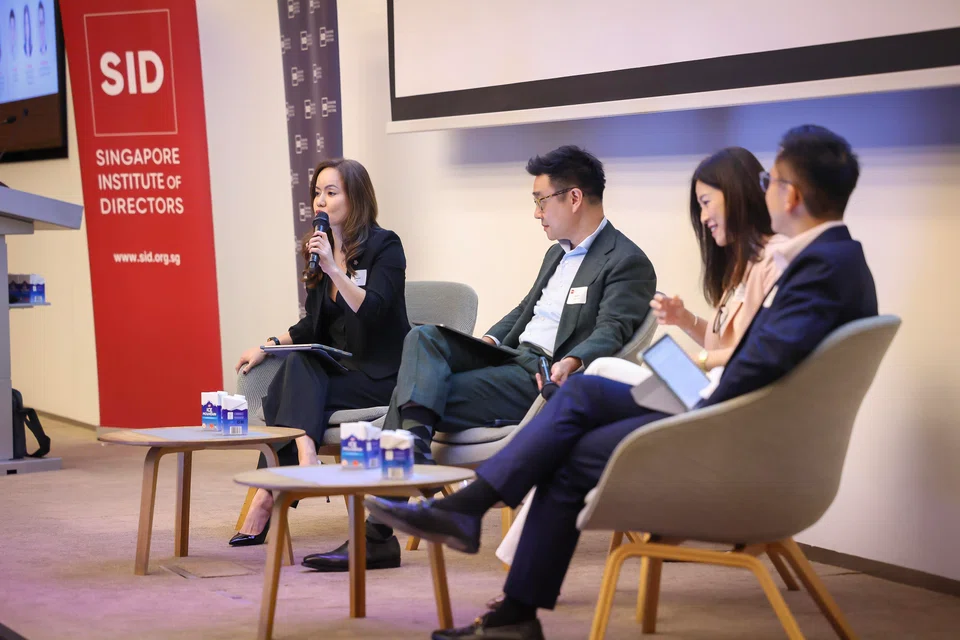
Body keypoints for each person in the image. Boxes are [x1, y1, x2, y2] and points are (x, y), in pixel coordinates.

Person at [366, 125, 878, 640]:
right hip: (722, 409)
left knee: (574, 428)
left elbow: (758, 364)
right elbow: (764, 359)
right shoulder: (828, 261)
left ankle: (484, 545)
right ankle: (483, 543)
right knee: (582, 396)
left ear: (791, 195)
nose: (761, 193)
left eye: (771, 182)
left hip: (727, 429)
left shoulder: (818, 268)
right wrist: (683, 379)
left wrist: (690, 390)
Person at [301, 145, 657, 572]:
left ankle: (376, 532)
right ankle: (410, 461)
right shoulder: (557, 254)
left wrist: (574, 361)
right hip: (510, 359)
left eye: (541, 200)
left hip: (541, 376)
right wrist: (488, 340)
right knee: (423, 337)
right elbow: (525, 310)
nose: (537, 213)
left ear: (574, 197)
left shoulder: (626, 260)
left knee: (412, 395)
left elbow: (612, 330)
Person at [493, 146, 788, 575]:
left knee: (590, 386)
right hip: (708, 385)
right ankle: (509, 526)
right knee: (596, 379)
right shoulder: (743, 265)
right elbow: (729, 339)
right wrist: (685, 320)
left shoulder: (771, 260)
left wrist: (701, 359)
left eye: (707, 203)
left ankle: (498, 502)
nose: (704, 217)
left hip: (720, 399)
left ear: (738, 195)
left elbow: (752, 353)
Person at [229, 158, 410, 547]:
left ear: (355, 197)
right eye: (317, 193)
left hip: (382, 375)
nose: (320, 202)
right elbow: (311, 326)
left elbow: (375, 312)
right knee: (297, 362)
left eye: (331, 192)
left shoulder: (385, 246)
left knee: (285, 393)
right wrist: (268, 346)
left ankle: (269, 493)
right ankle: (305, 452)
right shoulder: (319, 248)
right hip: (340, 371)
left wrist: (334, 270)